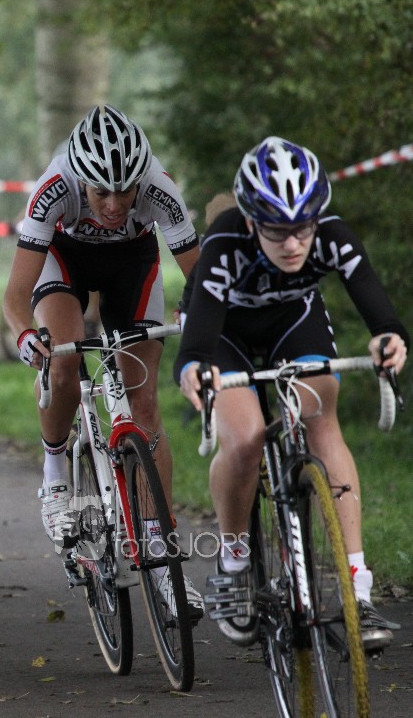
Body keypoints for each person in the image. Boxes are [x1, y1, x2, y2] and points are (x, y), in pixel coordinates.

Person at [176, 136, 408, 651]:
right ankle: (234, 563)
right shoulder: (224, 243)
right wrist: (195, 372)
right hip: (224, 334)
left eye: (303, 228)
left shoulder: (332, 236)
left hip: (292, 323)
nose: (293, 244)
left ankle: (357, 591)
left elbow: (380, 313)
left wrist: (389, 340)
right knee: (245, 438)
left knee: (321, 422)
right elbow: (196, 344)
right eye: (277, 231)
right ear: (251, 221)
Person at [1, 104, 203, 622]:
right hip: (63, 259)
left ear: (141, 181)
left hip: (132, 263)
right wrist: (25, 335)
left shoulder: (160, 188)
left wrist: (197, 312)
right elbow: (16, 295)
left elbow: (201, 278)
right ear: (80, 182)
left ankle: (161, 557)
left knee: (144, 402)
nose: (114, 205)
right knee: (64, 362)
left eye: (125, 192)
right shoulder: (53, 189)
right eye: (100, 193)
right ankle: (54, 473)